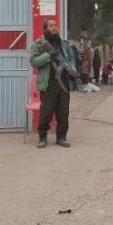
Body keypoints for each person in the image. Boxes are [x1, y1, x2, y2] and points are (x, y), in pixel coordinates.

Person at [30, 19, 76, 148]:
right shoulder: (39, 44)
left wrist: (72, 69)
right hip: (48, 84)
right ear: (45, 29)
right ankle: (42, 137)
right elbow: (34, 62)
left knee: (63, 113)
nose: (54, 27)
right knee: (46, 113)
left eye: (55, 25)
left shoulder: (65, 44)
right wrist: (48, 55)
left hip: (63, 83)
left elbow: (71, 59)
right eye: (51, 26)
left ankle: (61, 137)